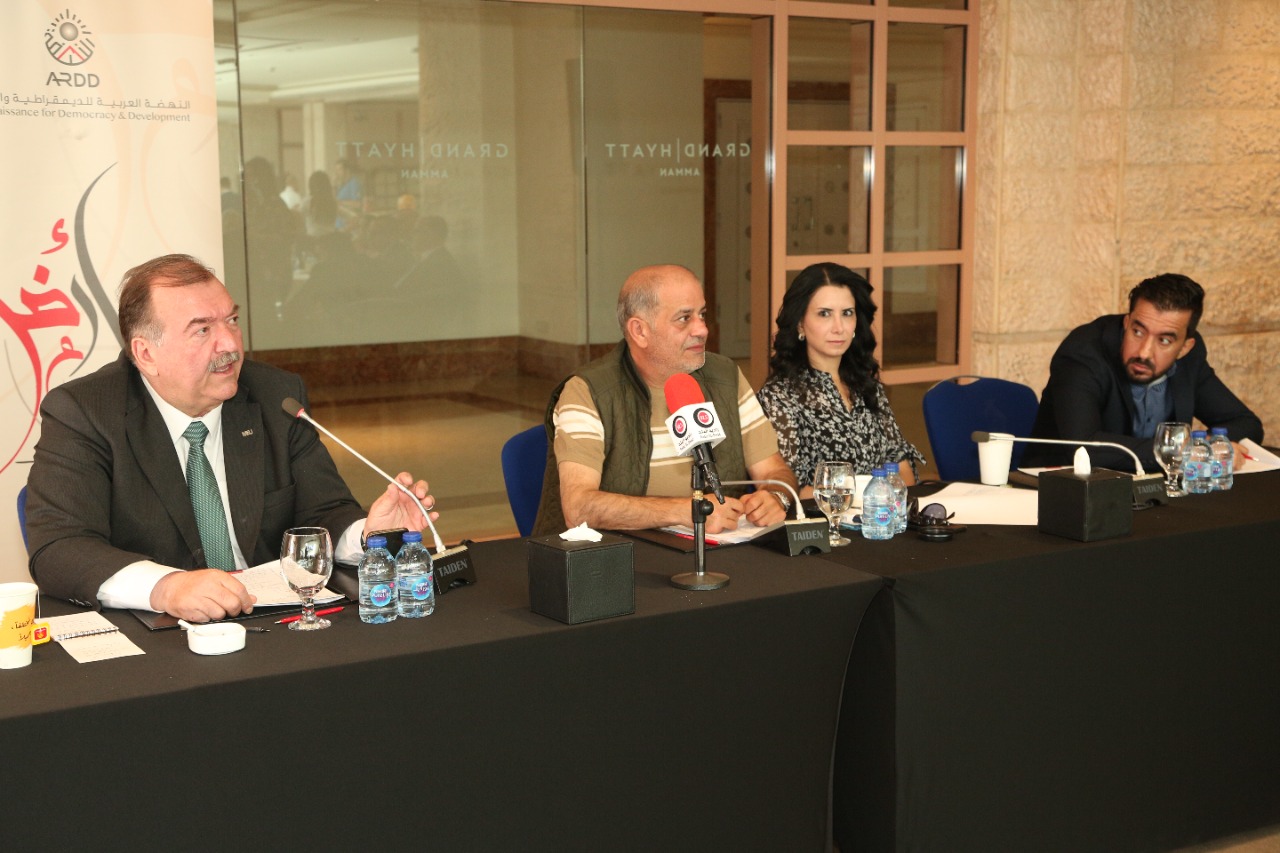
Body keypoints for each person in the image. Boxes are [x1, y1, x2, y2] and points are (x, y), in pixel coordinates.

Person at [25, 254, 437, 622]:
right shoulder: (85, 413)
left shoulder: (276, 397)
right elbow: (59, 548)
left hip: (273, 625)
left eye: (232, 321)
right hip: (157, 640)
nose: (230, 345)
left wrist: (368, 535)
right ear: (146, 354)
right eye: (202, 330)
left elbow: (324, 510)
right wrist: (166, 587)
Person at [533, 264, 798, 536]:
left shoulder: (726, 377)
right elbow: (579, 508)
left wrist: (777, 497)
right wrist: (689, 512)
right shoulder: (588, 390)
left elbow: (775, 472)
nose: (702, 329)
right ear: (640, 331)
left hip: (720, 549)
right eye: (684, 318)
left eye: (702, 315)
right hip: (614, 553)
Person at [1025, 272, 1263, 472]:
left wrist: (1207, 446)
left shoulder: (1190, 357)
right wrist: (1178, 452)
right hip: (1060, 490)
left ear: (1184, 347)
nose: (1144, 352)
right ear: (1127, 323)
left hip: (1154, 491)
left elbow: (1245, 423)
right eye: (1138, 332)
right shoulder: (1083, 353)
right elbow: (1084, 447)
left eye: (1164, 341)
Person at [757, 263, 923, 494]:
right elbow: (792, 489)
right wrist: (863, 502)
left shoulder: (866, 385)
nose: (839, 327)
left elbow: (901, 465)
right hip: (824, 516)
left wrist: (882, 505)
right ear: (800, 323)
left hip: (883, 513)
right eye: (824, 314)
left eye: (847, 313)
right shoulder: (778, 396)